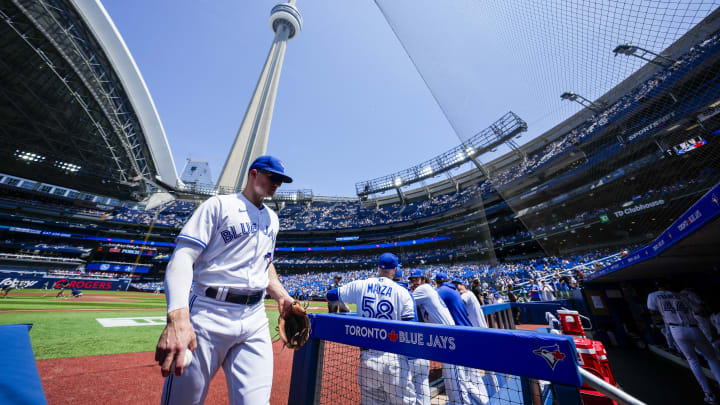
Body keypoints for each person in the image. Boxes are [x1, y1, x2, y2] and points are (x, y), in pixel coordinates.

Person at [155, 155, 295, 405]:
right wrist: (177, 316)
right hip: (209, 312)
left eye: (280, 181)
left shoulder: (272, 219)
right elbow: (183, 257)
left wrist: (282, 295)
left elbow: (265, 263)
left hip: (254, 317)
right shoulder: (219, 205)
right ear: (253, 173)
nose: (276, 184)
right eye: (272, 177)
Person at [327, 253, 416, 405]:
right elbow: (411, 329)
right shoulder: (402, 292)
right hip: (393, 358)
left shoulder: (361, 284)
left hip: (367, 360)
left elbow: (330, 295)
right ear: (394, 270)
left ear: (378, 268)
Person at [647, 280, 720, 404]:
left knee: (693, 361)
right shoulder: (680, 294)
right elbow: (698, 310)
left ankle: (709, 394)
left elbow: (652, 311)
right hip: (693, 327)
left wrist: (664, 314)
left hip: (676, 329)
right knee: (711, 358)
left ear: (657, 286)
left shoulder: (653, 295)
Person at [410, 272, 478, 405]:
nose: (414, 283)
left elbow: (406, 300)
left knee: (458, 384)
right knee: (454, 382)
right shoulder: (428, 290)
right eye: (412, 280)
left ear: (423, 280)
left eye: (417, 279)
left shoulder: (423, 289)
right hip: (447, 339)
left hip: (451, 339)